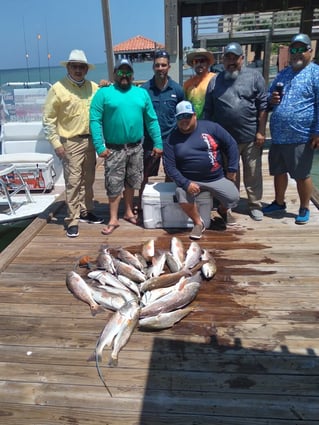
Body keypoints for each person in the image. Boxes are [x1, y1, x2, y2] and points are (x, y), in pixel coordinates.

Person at [89, 58, 162, 236]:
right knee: (113, 183)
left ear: (132, 75)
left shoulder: (141, 93)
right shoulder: (103, 93)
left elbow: (151, 120)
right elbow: (95, 120)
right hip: (113, 148)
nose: (124, 75)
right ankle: (113, 218)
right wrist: (100, 146)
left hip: (136, 147)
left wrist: (158, 142)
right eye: (121, 72)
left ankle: (128, 211)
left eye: (128, 72)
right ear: (114, 74)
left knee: (132, 181)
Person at [204, 42, 268, 222]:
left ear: (242, 58)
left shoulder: (255, 77)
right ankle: (229, 204)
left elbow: (263, 106)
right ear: (223, 60)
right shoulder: (215, 80)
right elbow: (208, 110)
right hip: (224, 139)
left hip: (249, 137)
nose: (231, 61)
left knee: (253, 172)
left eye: (235, 58)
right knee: (230, 174)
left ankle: (255, 204)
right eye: (228, 57)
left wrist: (261, 131)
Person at [43, 49, 103, 238]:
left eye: (81, 67)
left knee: (89, 179)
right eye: (74, 66)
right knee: (73, 182)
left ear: (86, 69)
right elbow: (48, 119)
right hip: (70, 142)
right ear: (68, 67)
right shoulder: (57, 88)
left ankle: (86, 211)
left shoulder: (94, 87)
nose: (78, 70)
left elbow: (105, 103)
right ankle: (72, 219)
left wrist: (107, 86)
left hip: (91, 140)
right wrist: (56, 144)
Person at [262, 33, 319, 225]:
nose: (297, 54)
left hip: (301, 135)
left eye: (301, 49)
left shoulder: (315, 73)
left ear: (309, 51)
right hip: (278, 135)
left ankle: (304, 207)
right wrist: (272, 100)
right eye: (293, 50)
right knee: (278, 171)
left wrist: (317, 131)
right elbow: (269, 100)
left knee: (302, 174)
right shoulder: (283, 73)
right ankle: (279, 202)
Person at [163, 100, 240, 240]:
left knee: (233, 197)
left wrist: (232, 168)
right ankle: (198, 223)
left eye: (187, 116)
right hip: (190, 180)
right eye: (180, 117)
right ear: (176, 119)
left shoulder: (212, 127)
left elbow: (231, 144)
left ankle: (222, 211)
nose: (184, 120)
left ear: (194, 115)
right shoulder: (171, 139)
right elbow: (169, 167)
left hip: (215, 177)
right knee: (181, 193)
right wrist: (185, 183)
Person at [139, 49, 184, 211]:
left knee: (171, 173)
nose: (160, 68)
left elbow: (182, 115)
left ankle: (168, 201)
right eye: (157, 65)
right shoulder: (144, 90)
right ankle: (142, 204)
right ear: (153, 67)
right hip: (149, 141)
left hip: (171, 140)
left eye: (163, 65)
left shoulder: (177, 90)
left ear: (169, 67)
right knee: (143, 175)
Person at [183, 48, 215, 119]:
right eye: (196, 61)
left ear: (208, 63)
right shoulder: (187, 84)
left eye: (202, 61)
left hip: (210, 124)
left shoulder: (215, 79)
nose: (199, 64)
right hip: (193, 125)